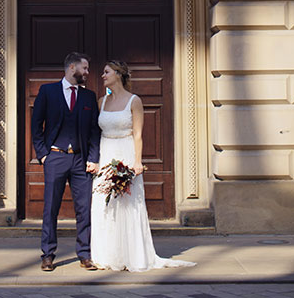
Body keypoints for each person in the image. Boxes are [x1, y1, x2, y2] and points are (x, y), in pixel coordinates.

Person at [90, 59, 196, 272]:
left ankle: (133, 254)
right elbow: (95, 133)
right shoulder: (101, 102)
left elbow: (138, 134)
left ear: (118, 74)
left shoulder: (134, 101)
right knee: (104, 204)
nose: (102, 76)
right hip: (105, 152)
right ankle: (107, 255)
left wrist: (137, 162)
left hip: (125, 152)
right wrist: (96, 161)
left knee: (129, 203)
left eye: (106, 72)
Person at [31, 51, 101, 272]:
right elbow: (36, 125)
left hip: (81, 160)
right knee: (51, 208)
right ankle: (48, 254)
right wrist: (43, 155)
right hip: (55, 157)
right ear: (72, 68)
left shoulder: (89, 97)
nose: (88, 73)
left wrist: (93, 158)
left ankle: (85, 254)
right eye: (85, 68)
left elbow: (94, 132)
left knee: (84, 209)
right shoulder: (47, 91)